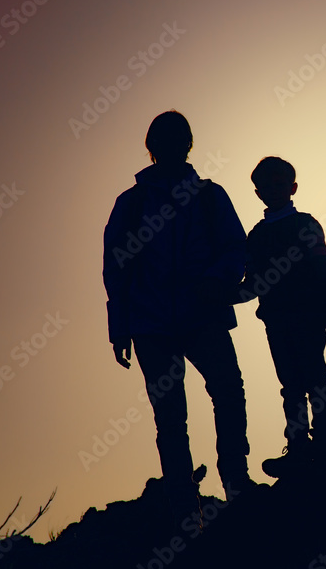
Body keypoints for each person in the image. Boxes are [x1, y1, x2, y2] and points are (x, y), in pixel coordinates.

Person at [102, 110, 255, 523]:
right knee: (172, 414)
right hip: (152, 326)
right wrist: (120, 326)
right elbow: (116, 268)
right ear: (153, 149)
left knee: (226, 392)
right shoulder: (131, 204)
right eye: (164, 141)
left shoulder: (210, 196)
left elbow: (235, 248)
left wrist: (215, 279)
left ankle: (234, 479)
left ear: (187, 145)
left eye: (177, 140)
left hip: (202, 318)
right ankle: (184, 504)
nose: (171, 148)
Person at [234, 157, 326, 478]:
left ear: (293, 188)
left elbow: (323, 268)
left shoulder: (306, 224)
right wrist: (218, 297)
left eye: (280, 184)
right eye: (268, 186)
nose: (275, 190)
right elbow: (250, 283)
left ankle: (323, 450)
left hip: (308, 317)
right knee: (291, 385)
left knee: (315, 381)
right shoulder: (255, 236)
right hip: (276, 320)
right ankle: (297, 449)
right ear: (258, 193)